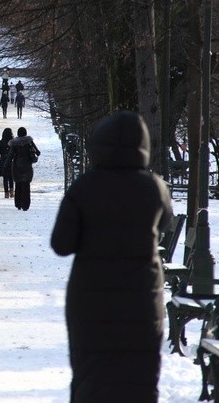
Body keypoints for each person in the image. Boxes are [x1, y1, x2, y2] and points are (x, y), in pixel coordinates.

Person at [50, 111, 172, 403]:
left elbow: (62, 244)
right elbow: (165, 224)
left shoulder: (84, 187)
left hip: (91, 301)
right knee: (139, 377)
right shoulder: (154, 187)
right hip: (141, 297)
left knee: (92, 376)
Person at [5, 127, 40, 211]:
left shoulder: (14, 143)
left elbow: (10, 156)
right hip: (27, 165)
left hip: (17, 166)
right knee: (26, 186)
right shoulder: (29, 142)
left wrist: (6, 165)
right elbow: (38, 152)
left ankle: (18, 204)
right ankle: (26, 205)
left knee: (18, 185)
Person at [0, 128, 14, 199]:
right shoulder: (13, 142)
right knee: (11, 177)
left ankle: (6, 193)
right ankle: (12, 191)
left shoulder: (1, 142)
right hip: (12, 161)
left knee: (5, 178)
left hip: (3, 162)